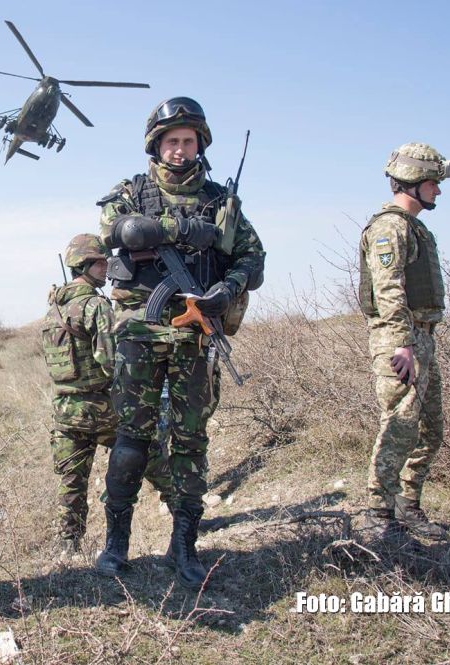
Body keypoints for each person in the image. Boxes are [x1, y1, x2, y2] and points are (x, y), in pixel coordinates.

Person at [93, 98, 265, 587]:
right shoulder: (131, 191)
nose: (180, 149)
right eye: (172, 141)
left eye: (188, 141)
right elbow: (119, 231)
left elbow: (253, 258)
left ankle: (184, 545)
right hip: (140, 332)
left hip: (195, 330)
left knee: (190, 441)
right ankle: (115, 545)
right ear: (157, 145)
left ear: (199, 145)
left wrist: (226, 289)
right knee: (130, 440)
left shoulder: (221, 202)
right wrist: (188, 230)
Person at [42, 234, 176, 556]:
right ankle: (183, 509)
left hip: (65, 410)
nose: (107, 267)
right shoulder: (96, 305)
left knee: (72, 480)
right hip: (102, 408)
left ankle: (69, 545)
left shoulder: (52, 310)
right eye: (101, 262)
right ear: (86, 266)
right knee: (148, 454)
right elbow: (109, 360)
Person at [359, 142, 450, 541]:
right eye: (433, 182)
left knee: (431, 430)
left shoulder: (413, 226)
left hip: (421, 338)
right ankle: (378, 514)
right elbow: (388, 290)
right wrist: (403, 343)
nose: (438, 190)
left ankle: (406, 504)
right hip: (400, 339)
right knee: (399, 424)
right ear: (415, 182)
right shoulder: (390, 227)